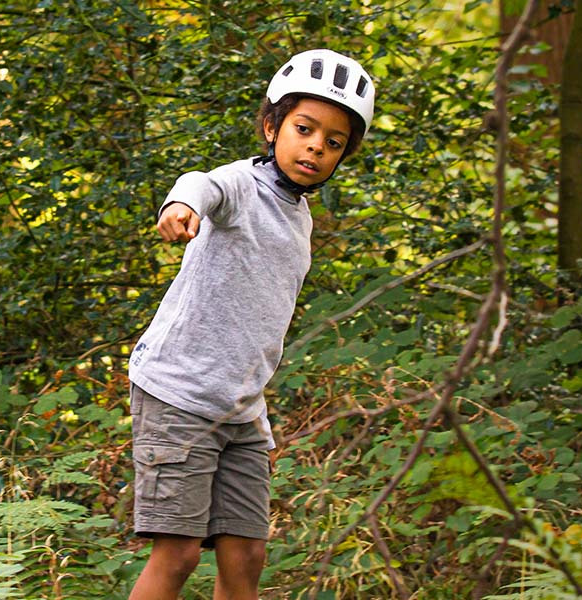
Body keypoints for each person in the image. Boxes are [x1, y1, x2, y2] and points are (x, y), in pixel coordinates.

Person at [127, 49, 376, 600]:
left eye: (334, 142)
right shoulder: (242, 186)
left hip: (241, 410)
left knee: (248, 553)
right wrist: (180, 205)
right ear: (272, 126)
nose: (316, 146)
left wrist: (252, 409)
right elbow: (203, 183)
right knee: (179, 552)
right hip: (179, 392)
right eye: (304, 129)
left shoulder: (301, 219)